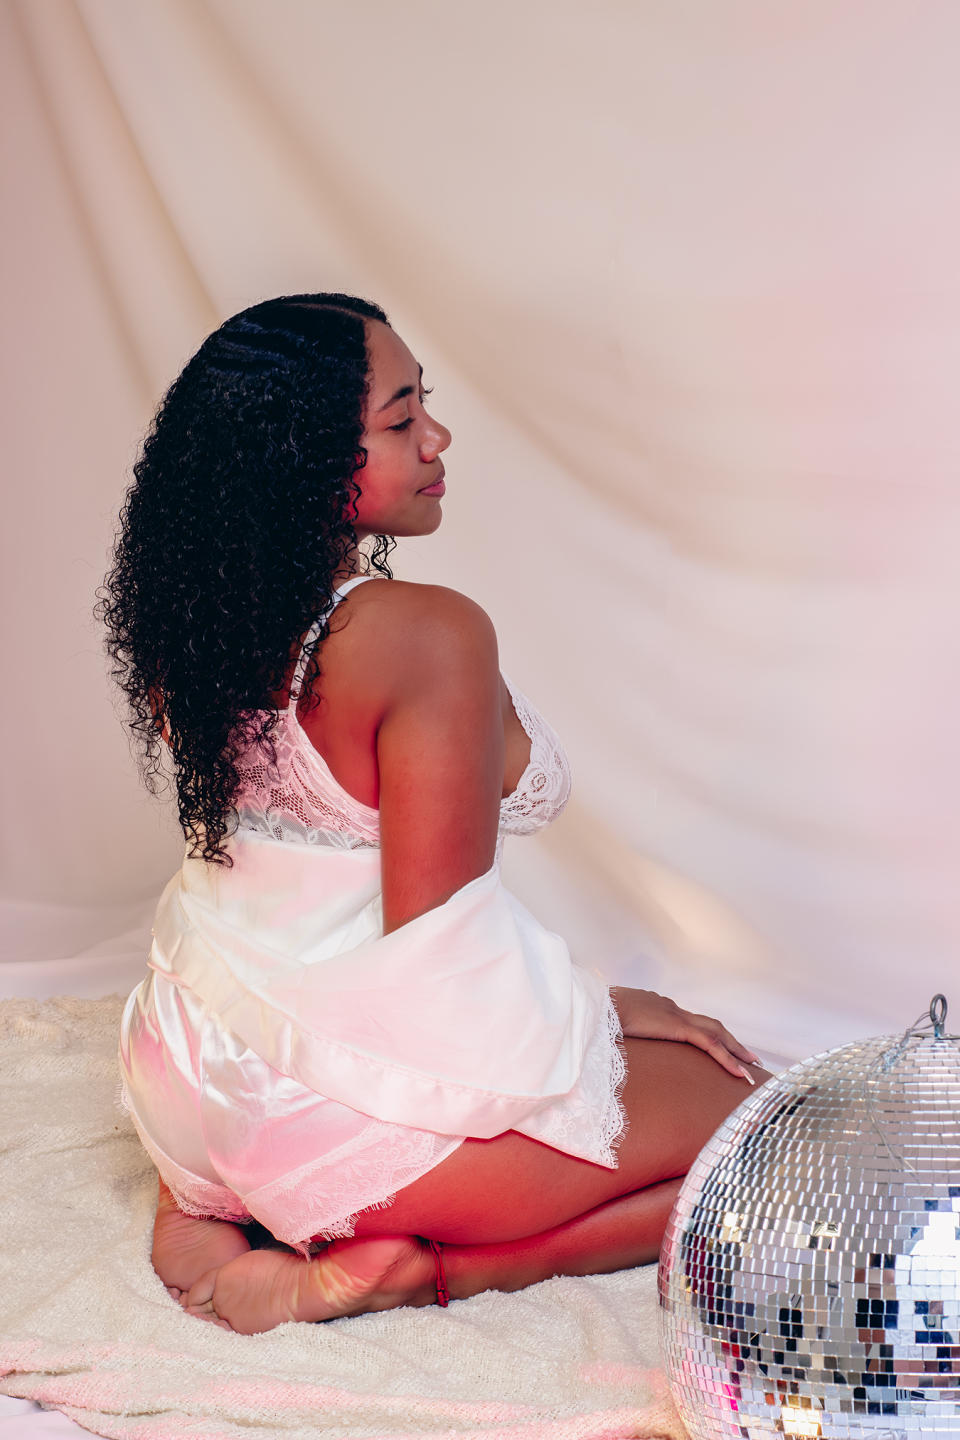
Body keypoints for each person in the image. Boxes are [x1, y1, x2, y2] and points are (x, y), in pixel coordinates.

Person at [98, 292, 771, 1336]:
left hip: (183, 1075)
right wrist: (599, 1009)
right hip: (321, 1120)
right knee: (762, 1127)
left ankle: (206, 1214)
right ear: (305, 458)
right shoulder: (423, 634)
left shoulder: (200, 624)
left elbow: (278, 899)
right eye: (402, 418)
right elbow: (441, 961)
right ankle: (417, 1273)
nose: (438, 438)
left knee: (682, 1096)